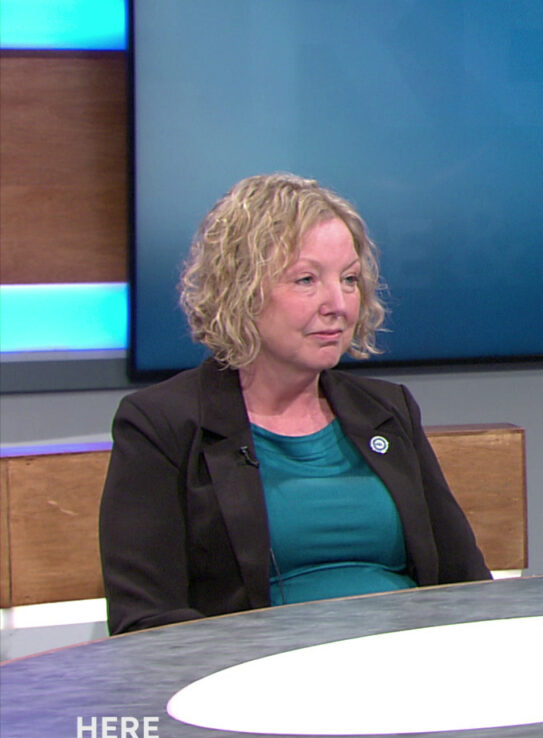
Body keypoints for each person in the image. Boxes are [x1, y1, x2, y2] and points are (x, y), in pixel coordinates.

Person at [101, 173, 491, 634]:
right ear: (240, 290)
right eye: (306, 280)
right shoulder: (163, 424)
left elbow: (464, 580)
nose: (338, 303)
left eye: (349, 279)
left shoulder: (387, 410)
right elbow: (145, 620)